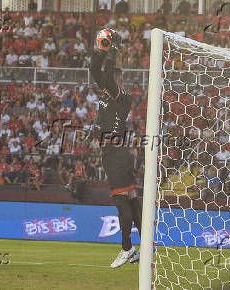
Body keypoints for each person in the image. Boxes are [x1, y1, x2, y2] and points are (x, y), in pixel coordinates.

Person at [89, 29, 142, 268]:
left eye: (114, 79)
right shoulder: (105, 91)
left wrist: (113, 52)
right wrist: (101, 50)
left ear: (120, 81)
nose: (108, 82)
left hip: (116, 152)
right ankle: (146, 246)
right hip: (117, 152)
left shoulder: (124, 97)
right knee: (131, 199)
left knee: (122, 201)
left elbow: (107, 77)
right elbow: (94, 71)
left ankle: (126, 248)